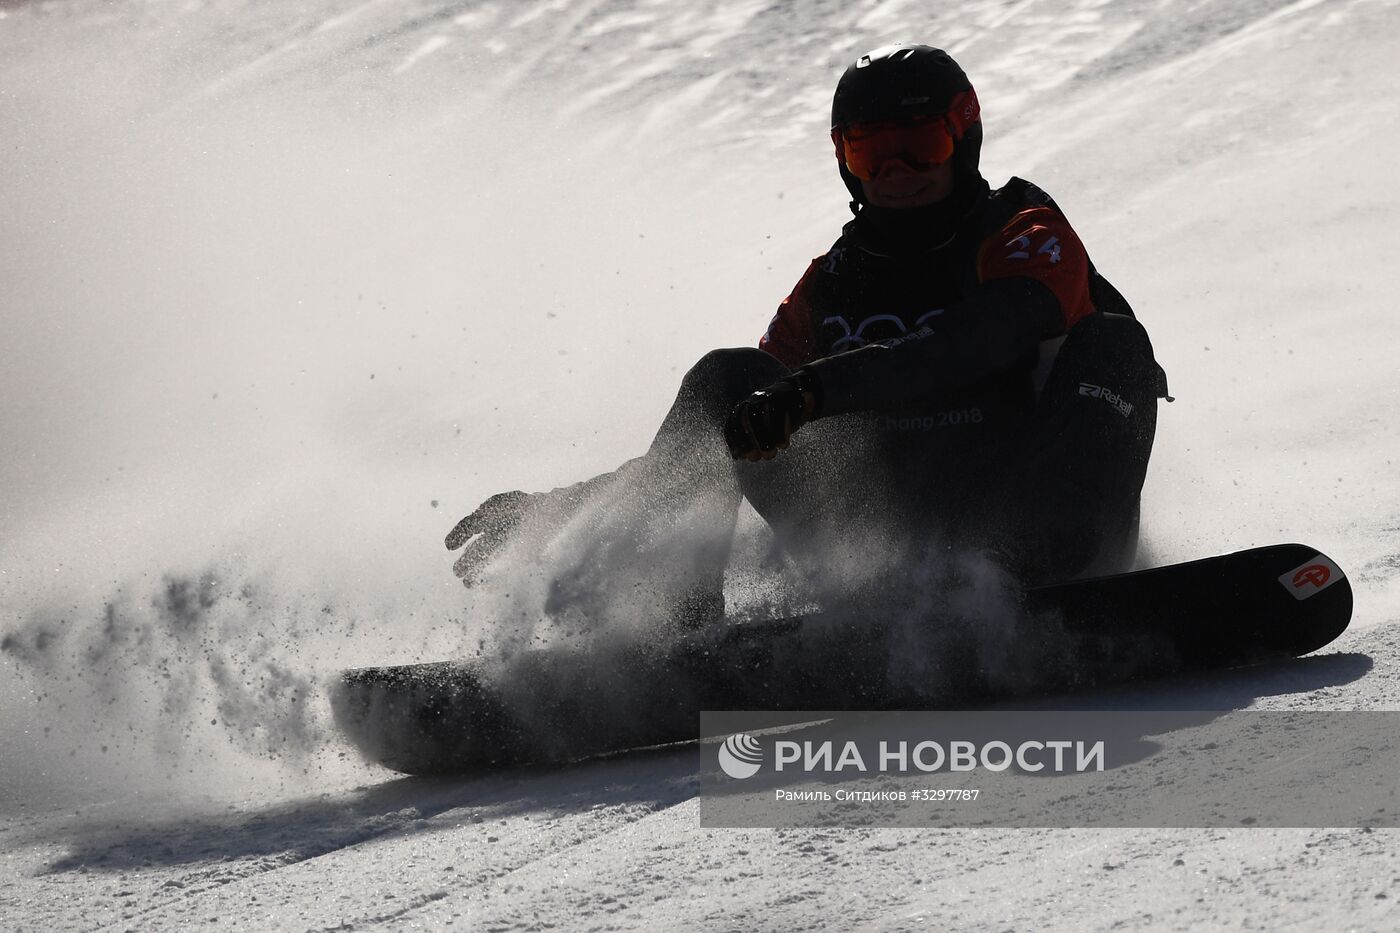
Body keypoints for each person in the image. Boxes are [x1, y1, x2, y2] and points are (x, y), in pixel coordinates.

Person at [446, 44, 1167, 624]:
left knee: (1115, 344)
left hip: (1046, 532)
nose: (896, 173)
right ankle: (677, 634)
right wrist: (562, 506)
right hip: (891, 551)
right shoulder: (830, 283)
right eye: (869, 152)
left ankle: (1023, 579)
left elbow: (983, 337)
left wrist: (822, 387)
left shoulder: (1021, 230)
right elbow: (718, 439)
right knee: (729, 380)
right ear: (843, 161)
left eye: (919, 145)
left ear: (962, 137)